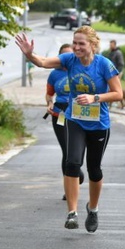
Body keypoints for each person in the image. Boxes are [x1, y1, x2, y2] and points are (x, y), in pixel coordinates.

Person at [15, 26, 122, 233]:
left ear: (92, 45)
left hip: (99, 124)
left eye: (81, 43)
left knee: (94, 170)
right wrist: (29, 54)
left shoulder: (104, 65)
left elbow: (118, 93)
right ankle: (72, 213)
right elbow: (43, 62)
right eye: (75, 43)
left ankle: (93, 208)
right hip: (75, 119)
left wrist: (95, 98)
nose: (76, 47)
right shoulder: (69, 60)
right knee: (72, 163)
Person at [44, 43, 84, 200]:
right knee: (66, 150)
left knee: (77, 148)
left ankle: (76, 170)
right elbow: (49, 94)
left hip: (78, 111)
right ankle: (69, 186)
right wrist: (49, 103)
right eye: (64, 56)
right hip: (59, 112)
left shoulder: (79, 69)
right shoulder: (54, 74)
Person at [107, 39, 125, 109]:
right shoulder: (111, 52)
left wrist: (118, 73)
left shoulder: (118, 53)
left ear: (114, 45)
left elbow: (121, 64)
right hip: (110, 73)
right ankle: (110, 102)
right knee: (110, 88)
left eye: (111, 45)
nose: (110, 46)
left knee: (116, 88)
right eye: (110, 45)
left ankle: (120, 102)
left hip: (116, 73)